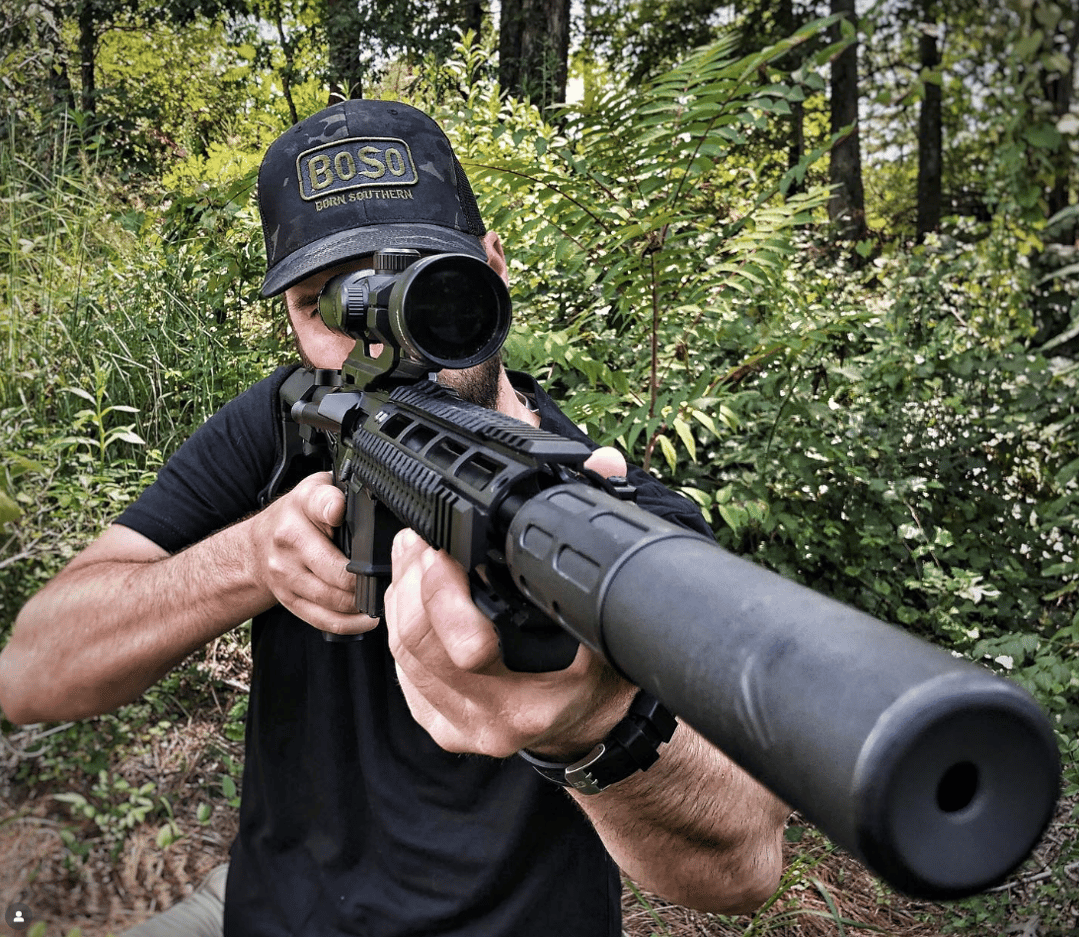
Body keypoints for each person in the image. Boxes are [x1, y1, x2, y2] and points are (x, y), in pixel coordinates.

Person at [0, 100, 790, 936]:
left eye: (424, 284)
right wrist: (248, 561)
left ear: (493, 266)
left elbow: (744, 865)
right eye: (325, 305)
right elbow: (32, 674)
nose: (383, 347)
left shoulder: (607, 510)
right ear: (294, 322)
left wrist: (597, 726)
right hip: (276, 907)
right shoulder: (277, 427)